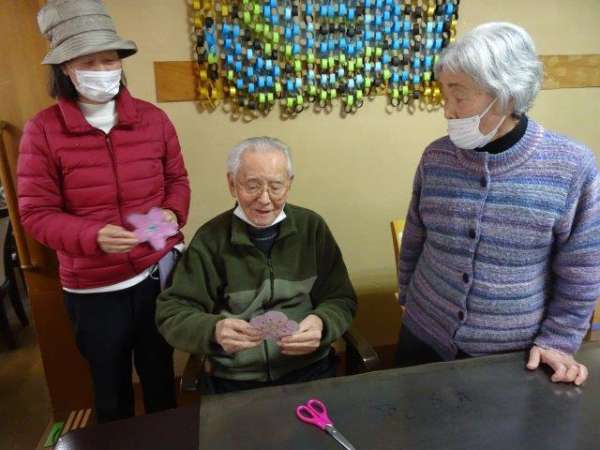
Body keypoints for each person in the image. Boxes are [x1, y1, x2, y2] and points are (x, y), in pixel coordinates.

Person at [395, 22, 600, 386]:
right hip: (422, 336)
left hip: (511, 358)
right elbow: (415, 235)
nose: (447, 111)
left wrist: (558, 340)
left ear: (506, 95)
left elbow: (582, 270)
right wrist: (409, 297)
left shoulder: (572, 167)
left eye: (459, 97)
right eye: (444, 95)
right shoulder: (436, 157)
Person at [17, 0, 190, 422]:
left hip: (155, 277)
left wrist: (173, 211)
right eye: (88, 62)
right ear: (65, 69)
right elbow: (36, 213)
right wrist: (91, 236)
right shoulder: (43, 131)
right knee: (110, 393)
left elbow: (178, 181)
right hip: (93, 291)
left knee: (160, 380)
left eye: (109, 59)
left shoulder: (153, 120)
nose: (101, 69)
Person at [156, 137, 356, 394]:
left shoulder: (311, 228)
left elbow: (341, 298)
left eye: (276, 187)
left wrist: (322, 322)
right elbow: (172, 313)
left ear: (289, 184)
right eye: (252, 186)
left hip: (309, 370)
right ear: (232, 184)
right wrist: (213, 330)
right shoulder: (210, 239)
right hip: (235, 379)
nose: (264, 199)